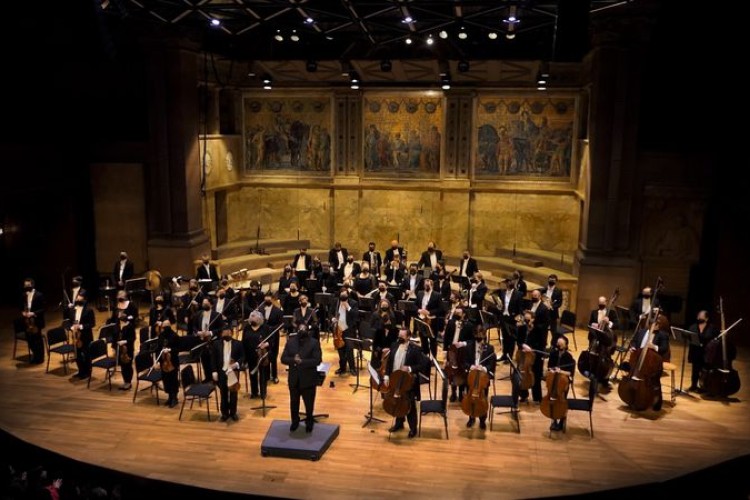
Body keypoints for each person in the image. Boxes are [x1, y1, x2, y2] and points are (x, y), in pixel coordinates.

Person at [281, 317, 323, 433]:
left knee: (309, 403)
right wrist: (293, 360)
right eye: (300, 328)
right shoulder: (290, 341)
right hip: (294, 379)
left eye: (304, 328)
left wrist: (302, 362)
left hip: (308, 379)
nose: (302, 330)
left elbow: (317, 360)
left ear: (308, 330)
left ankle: (309, 422)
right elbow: (283, 358)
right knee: (294, 402)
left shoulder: (314, 343)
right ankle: (294, 421)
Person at [384, 328, 426, 438]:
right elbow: (389, 362)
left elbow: (422, 366)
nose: (400, 338)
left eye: (402, 336)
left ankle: (413, 428)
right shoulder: (394, 345)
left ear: (408, 337)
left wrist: (410, 368)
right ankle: (399, 424)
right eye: (399, 336)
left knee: (410, 406)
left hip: (407, 382)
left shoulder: (415, 349)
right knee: (397, 402)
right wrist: (386, 375)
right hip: (395, 380)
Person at [627, 311, 670, 411]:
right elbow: (633, 341)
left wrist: (654, 347)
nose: (658, 326)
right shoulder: (641, 332)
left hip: (653, 364)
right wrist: (632, 347)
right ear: (650, 325)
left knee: (655, 381)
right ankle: (634, 398)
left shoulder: (663, 335)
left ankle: (657, 403)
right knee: (634, 377)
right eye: (656, 325)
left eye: (659, 325)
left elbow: (664, 349)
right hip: (638, 359)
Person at [461, 325, 496, 430]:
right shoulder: (469, 346)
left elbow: (492, 363)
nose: (479, 337)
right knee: (470, 398)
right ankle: (471, 417)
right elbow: (464, 362)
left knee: (482, 399)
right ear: (474, 334)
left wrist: (484, 368)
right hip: (471, 377)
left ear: (484, 335)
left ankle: (482, 420)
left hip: (482, 378)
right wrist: (471, 366)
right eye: (477, 335)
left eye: (481, 335)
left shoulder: (489, 348)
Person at [211, 327, 244, 421]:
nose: (227, 335)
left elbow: (242, 356)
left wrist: (236, 364)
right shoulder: (216, 344)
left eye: (229, 333)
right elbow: (213, 358)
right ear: (221, 334)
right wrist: (214, 371)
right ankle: (224, 413)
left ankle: (233, 412)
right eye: (225, 333)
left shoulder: (238, 344)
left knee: (233, 393)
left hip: (233, 372)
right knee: (223, 393)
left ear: (232, 333)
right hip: (222, 371)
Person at [518, 309, 548, 404]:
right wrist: (522, 345)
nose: (526, 322)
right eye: (525, 320)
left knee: (536, 376)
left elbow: (543, 344)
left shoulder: (539, 329)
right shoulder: (522, 328)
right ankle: (523, 395)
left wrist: (531, 348)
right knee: (522, 375)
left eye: (528, 320)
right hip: (523, 356)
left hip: (535, 356)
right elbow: (518, 341)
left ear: (533, 319)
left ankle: (537, 398)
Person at [546, 336, 575, 431]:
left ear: (566, 346)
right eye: (558, 344)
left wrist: (560, 371)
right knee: (552, 399)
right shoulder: (553, 354)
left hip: (563, 382)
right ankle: (553, 420)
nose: (559, 346)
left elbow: (570, 373)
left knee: (562, 401)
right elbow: (549, 367)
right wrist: (552, 370)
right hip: (553, 380)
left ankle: (562, 420)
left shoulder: (568, 357)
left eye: (561, 345)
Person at [66, 290, 95, 379]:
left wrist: (81, 326)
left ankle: (88, 372)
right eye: (77, 297)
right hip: (76, 336)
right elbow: (70, 321)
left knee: (86, 355)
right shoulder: (73, 309)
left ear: (84, 299)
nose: (77, 298)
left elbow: (92, 324)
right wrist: (71, 327)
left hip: (85, 336)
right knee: (77, 354)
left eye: (80, 297)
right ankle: (81, 371)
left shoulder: (89, 310)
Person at [687, 310, 718, 392]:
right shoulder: (693, 326)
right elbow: (688, 335)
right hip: (695, 352)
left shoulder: (712, 328)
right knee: (695, 370)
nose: (699, 317)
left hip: (706, 353)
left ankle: (704, 387)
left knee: (704, 371)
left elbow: (715, 339)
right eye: (698, 315)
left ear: (706, 318)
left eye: (701, 316)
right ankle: (693, 385)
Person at [242, 311, 270, 399]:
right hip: (250, 355)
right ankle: (254, 392)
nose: (251, 318)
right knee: (252, 374)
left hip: (261, 355)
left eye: (253, 316)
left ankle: (263, 392)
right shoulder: (247, 328)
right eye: (250, 316)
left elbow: (271, 341)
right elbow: (243, 341)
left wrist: (266, 344)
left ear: (259, 318)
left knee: (263, 374)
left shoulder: (265, 328)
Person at [330, 289, 359, 376]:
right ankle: (342, 368)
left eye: (344, 295)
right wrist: (332, 318)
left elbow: (356, 315)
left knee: (349, 349)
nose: (342, 297)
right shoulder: (336, 302)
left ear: (348, 295)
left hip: (348, 329)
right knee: (340, 350)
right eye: (341, 295)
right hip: (338, 329)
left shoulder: (353, 303)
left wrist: (348, 307)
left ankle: (352, 368)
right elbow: (330, 313)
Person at [20, 278, 46, 364]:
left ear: (32, 285)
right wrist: (23, 312)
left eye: (28, 285)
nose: (26, 287)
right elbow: (22, 306)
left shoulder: (39, 295)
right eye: (25, 285)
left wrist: (33, 313)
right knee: (30, 339)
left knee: (37, 340)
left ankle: (40, 358)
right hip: (28, 322)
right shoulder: (24, 295)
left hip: (37, 321)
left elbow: (43, 309)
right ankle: (35, 355)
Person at [497, 276, 523, 363]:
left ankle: (509, 357)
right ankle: (504, 355)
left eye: (510, 281)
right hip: (504, 317)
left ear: (513, 283)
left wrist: (518, 320)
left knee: (511, 339)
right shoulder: (502, 292)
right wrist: (499, 307)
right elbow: (501, 305)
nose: (509, 283)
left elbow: (520, 309)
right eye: (507, 282)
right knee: (504, 338)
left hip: (512, 319)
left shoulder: (518, 294)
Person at [261, 291, 284, 383]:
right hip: (264, 335)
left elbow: (281, 324)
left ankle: (274, 375)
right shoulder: (261, 310)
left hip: (274, 335)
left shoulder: (278, 311)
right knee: (265, 355)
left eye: (269, 297)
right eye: (266, 297)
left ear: (272, 299)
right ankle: (266, 376)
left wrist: (271, 328)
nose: (267, 299)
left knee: (273, 355)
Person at [156, 319, 180, 408]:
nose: (165, 329)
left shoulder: (175, 336)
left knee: (173, 380)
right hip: (163, 362)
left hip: (172, 362)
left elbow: (178, 349)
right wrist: (158, 361)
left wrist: (170, 350)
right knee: (166, 380)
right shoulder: (161, 336)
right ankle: (170, 397)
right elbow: (158, 349)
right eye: (164, 327)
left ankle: (174, 398)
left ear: (169, 326)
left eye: (167, 327)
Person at [541, 274, 563, 342]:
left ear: (556, 281)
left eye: (553, 280)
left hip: (552, 314)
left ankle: (553, 345)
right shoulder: (543, 289)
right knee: (543, 330)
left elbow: (559, 303)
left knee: (553, 331)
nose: (551, 281)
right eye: (550, 279)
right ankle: (544, 343)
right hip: (544, 313)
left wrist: (552, 307)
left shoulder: (558, 291)